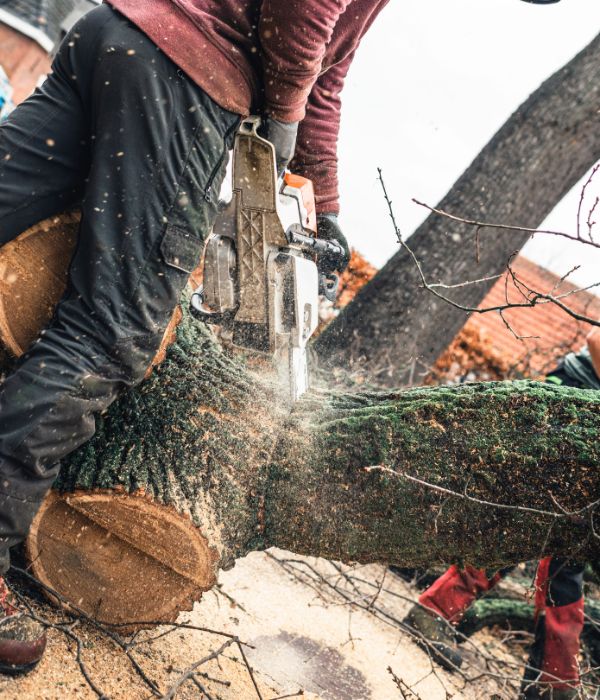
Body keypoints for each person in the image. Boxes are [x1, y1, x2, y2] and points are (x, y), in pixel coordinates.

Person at [0, 0, 563, 676]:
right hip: (186, 78)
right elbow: (304, 17)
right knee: (113, 332)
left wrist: (323, 208)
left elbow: (329, 74)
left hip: (120, 33)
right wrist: (282, 123)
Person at [404, 328, 600, 700]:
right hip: (577, 400)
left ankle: (553, 680)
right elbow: (596, 339)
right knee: (544, 531)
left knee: (558, 540)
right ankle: (553, 681)